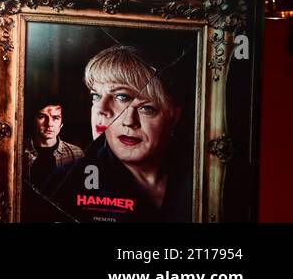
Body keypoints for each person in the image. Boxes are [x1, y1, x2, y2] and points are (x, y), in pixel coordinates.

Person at [41, 45, 193, 222]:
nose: (100, 110)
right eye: (95, 96)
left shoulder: (204, 173)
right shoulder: (65, 183)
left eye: (122, 97)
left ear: (174, 115)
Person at [22, 99, 83, 189]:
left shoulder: (76, 154)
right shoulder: (18, 150)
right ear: (33, 120)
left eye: (55, 118)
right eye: (42, 116)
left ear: (61, 124)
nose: (49, 124)